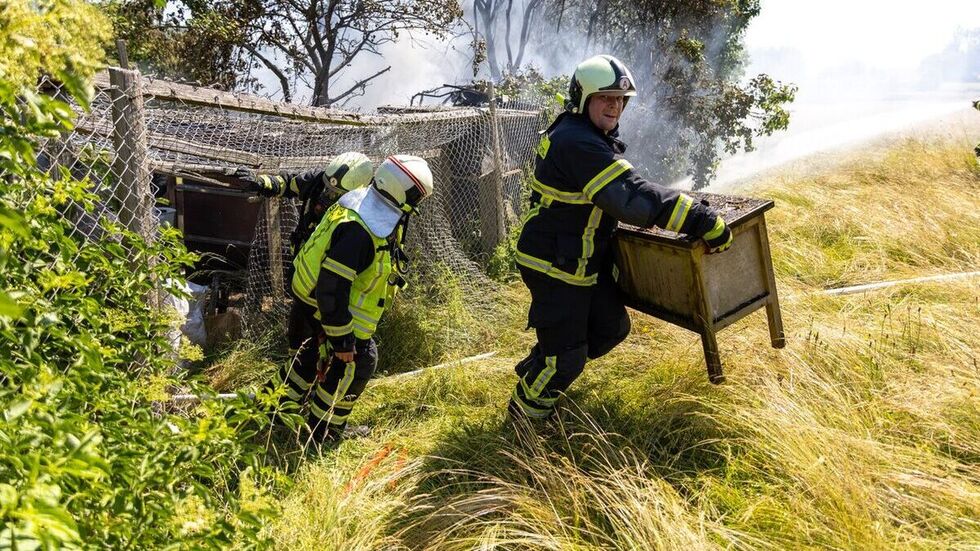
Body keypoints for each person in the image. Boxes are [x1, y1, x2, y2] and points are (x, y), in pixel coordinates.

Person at [509, 54, 734, 421]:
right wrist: (702, 219)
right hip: (555, 266)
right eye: (605, 98)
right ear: (583, 99)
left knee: (610, 328)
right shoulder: (578, 143)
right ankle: (523, 422)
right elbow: (630, 198)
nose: (615, 106)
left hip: (577, 260)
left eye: (620, 100)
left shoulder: (581, 134)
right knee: (567, 361)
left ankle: (544, 359)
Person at [264, 155, 434, 442]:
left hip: (311, 299)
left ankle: (273, 410)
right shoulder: (361, 232)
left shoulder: (359, 203)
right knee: (357, 362)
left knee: (309, 356)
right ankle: (324, 433)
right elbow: (332, 286)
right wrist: (343, 340)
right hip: (327, 306)